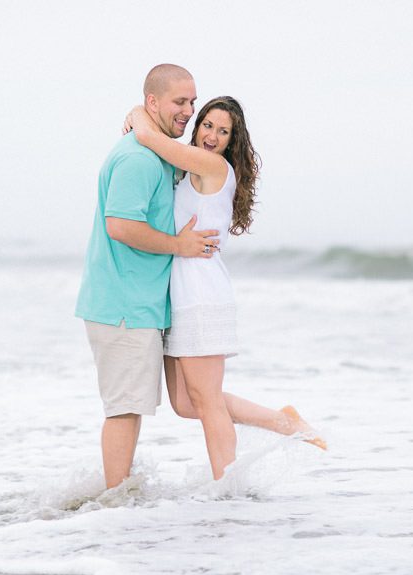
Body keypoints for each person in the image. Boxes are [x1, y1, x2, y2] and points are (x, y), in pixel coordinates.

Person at [123, 96, 326, 481]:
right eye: (207, 125)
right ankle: (284, 422)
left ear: (232, 141)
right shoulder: (190, 167)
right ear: (197, 126)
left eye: (223, 131)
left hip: (201, 296)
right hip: (180, 297)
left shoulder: (212, 165)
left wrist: (136, 114)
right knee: (186, 404)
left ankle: (227, 490)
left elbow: (149, 137)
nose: (212, 136)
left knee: (208, 403)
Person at [75, 64, 223, 490]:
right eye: (181, 102)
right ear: (153, 102)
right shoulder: (139, 159)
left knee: (132, 405)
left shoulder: (154, 152)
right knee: (124, 408)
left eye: (192, 101)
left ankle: (118, 498)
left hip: (137, 304)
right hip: (123, 306)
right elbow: (119, 226)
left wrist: (141, 121)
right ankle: (114, 502)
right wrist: (181, 244)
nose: (189, 111)